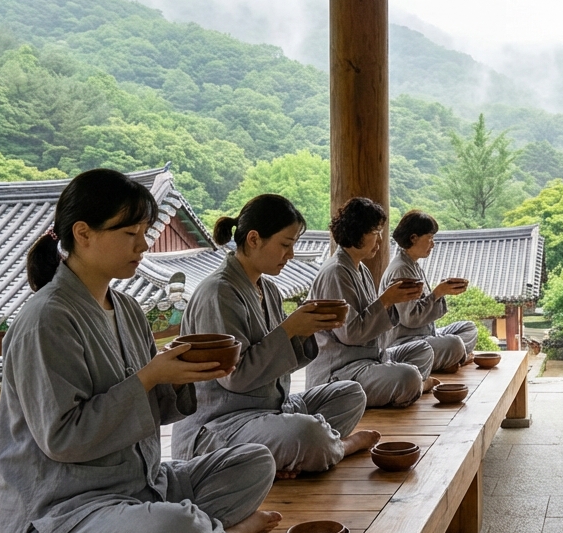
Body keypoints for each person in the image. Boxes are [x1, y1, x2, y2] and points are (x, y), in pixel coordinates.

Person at [0, 169, 280, 533]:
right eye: (131, 233)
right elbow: (63, 438)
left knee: (255, 462)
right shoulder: (47, 319)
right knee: (175, 531)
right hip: (63, 515)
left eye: (145, 232)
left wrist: (180, 375)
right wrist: (150, 376)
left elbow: (151, 403)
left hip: (142, 485)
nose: (144, 245)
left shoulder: (126, 308)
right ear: (83, 233)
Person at [173, 194, 380, 479]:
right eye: (285, 245)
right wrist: (291, 329)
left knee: (350, 393)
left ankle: (284, 454)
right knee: (308, 433)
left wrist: (306, 329)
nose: (291, 255)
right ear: (254, 239)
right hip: (221, 424)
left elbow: (280, 360)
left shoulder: (267, 289)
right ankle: (337, 447)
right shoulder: (219, 292)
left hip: (271, 407)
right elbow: (236, 378)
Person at [308, 198, 437, 406]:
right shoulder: (336, 272)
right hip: (339, 371)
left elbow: (373, 320)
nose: (380, 241)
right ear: (358, 232)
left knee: (420, 350)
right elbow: (351, 334)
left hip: (369, 359)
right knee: (408, 377)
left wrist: (394, 301)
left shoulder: (360, 269)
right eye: (376, 233)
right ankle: (414, 386)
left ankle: (408, 387)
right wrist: (386, 299)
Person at [379, 210, 478, 373]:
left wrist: (442, 291)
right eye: (430, 238)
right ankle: (453, 358)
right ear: (413, 238)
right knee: (454, 343)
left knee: (468, 328)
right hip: (405, 343)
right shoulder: (401, 270)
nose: (433, 244)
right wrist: (438, 293)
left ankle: (452, 359)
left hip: (426, 334)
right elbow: (410, 319)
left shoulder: (412, 264)